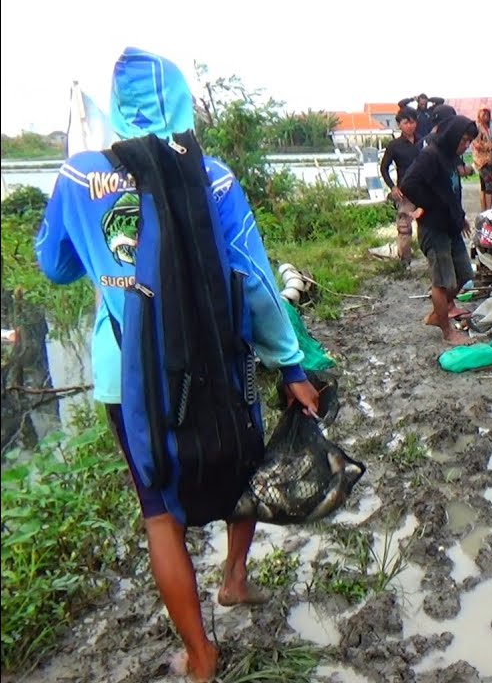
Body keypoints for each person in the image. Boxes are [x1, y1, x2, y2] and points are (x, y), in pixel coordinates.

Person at [34, 48, 320, 682]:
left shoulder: (78, 179)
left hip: (128, 378)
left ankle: (200, 656)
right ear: (183, 103)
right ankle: (235, 580)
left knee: (159, 511)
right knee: (244, 468)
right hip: (224, 362)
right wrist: (291, 365)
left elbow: (53, 265)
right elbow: (254, 281)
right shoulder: (213, 176)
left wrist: (102, 251)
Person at [399, 114, 478, 346]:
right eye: (463, 140)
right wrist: (429, 206)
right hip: (434, 229)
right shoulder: (431, 156)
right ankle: (447, 331)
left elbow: (451, 192)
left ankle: (438, 312)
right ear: (453, 135)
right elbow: (409, 184)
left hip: (451, 227)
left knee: (464, 274)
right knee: (442, 282)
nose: (466, 146)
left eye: (469, 142)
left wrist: (460, 217)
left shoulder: (451, 157)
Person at [379, 109, 421, 263]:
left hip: (425, 191)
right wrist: (392, 187)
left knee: (428, 226)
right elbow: (383, 168)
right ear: (399, 124)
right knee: (404, 228)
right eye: (406, 122)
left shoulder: (423, 142)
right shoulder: (394, 146)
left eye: (412, 122)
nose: (410, 126)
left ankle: (430, 260)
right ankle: (405, 262)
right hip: (405, 192)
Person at [471, 106, 492, 211]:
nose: (486, 117)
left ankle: (484, 210)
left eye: (487, 115)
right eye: (483, 114)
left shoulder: (487, 129)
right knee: (491, 186)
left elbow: (489, 141)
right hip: (482, 161)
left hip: (487, 160)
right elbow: (476, 143)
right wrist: (490, 146)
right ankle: (488, 210)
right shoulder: (478, 128)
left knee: (484, 187)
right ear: (479, 115)